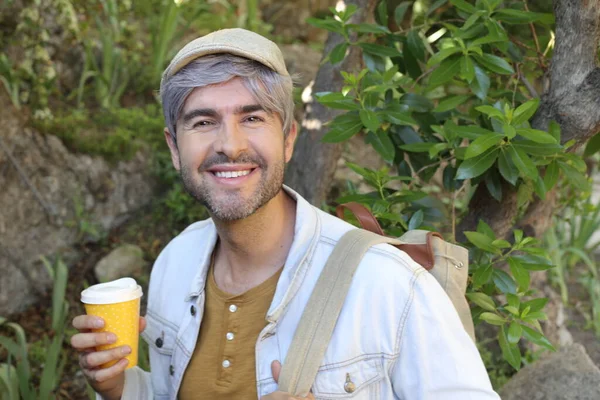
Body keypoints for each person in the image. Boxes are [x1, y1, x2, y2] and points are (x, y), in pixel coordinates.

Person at [70, 28, 500, 400]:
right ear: (173, 148)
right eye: (202, 122)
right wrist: (118, 387)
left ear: (289, 138)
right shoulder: (174, 263)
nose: (229, 144)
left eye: (252, 117)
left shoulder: (389, 286)